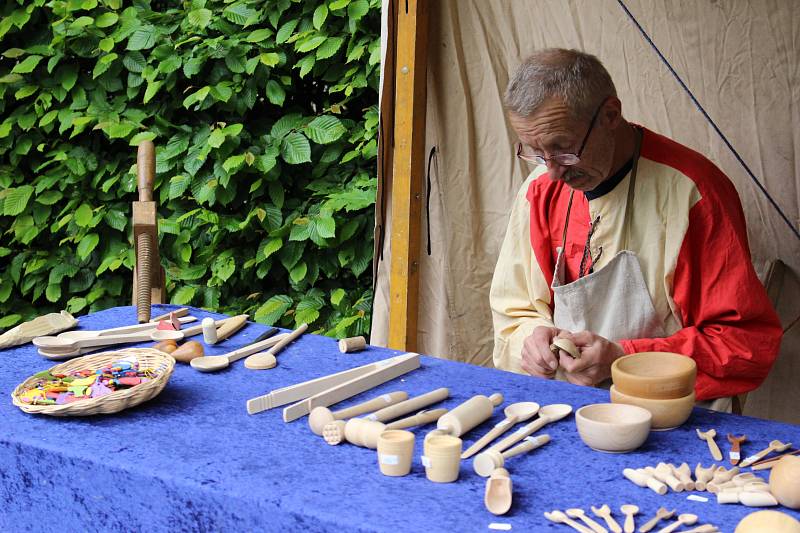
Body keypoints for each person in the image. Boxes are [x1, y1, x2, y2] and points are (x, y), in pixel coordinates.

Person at [490, 48, 782, 409]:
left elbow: (743, 345)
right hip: (565, 410)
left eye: (563, 149)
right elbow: (512, 312)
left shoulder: (691, 192)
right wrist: (530, 342)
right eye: (535, 152)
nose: (552, 171)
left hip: (674, 418)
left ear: (611, 115)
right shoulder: (540, 190)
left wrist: (623, 358)